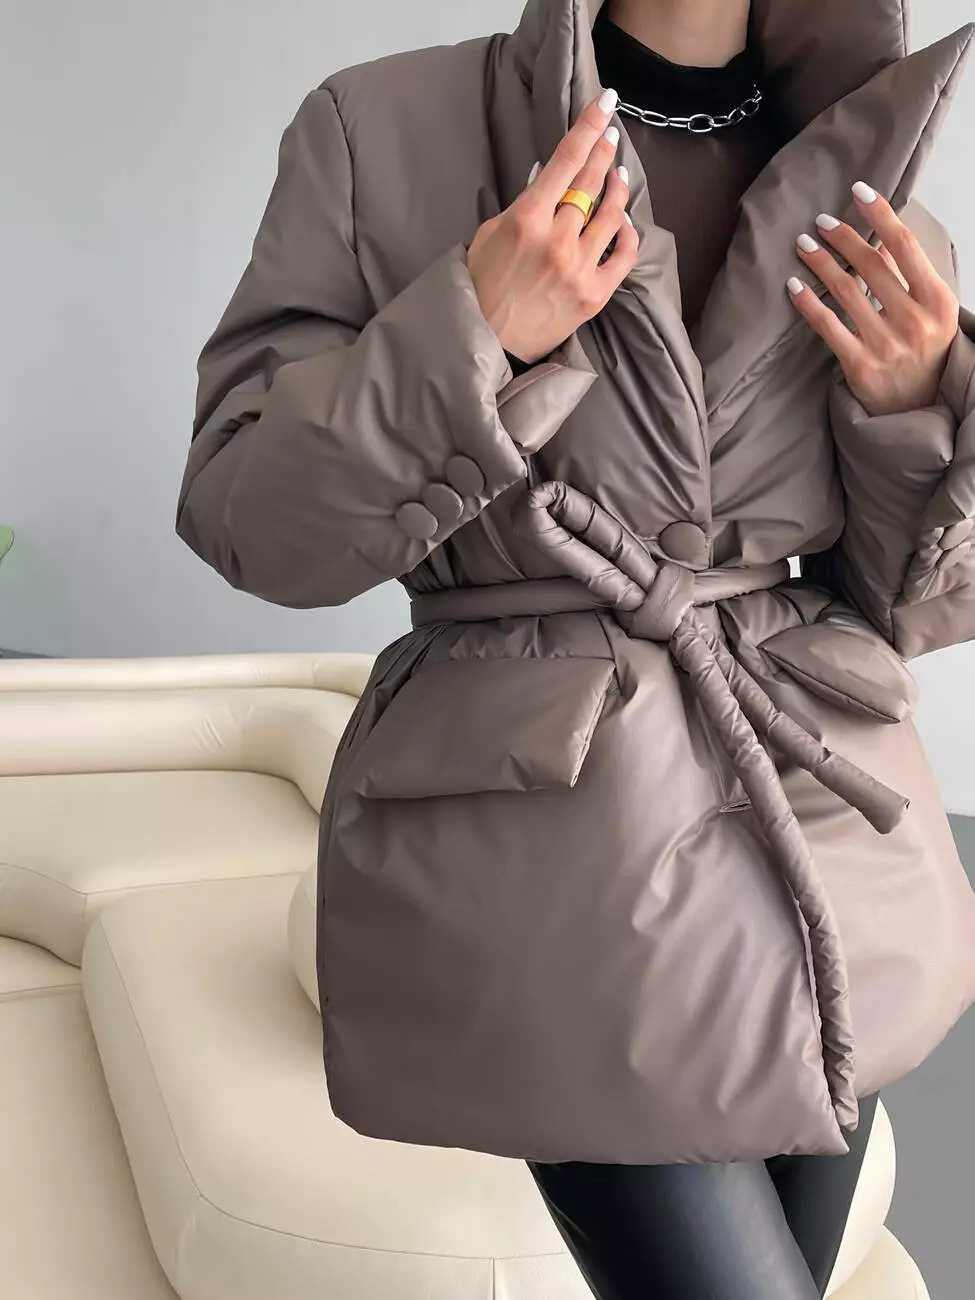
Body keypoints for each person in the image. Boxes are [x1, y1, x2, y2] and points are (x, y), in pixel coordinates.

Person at [174, 2, 975, 1297]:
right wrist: (472, 331)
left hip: (824, 847)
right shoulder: (383, 129)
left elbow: (915, 605)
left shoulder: (863, 171)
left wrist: (915, 409)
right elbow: (250, 521)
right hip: (554, 848)